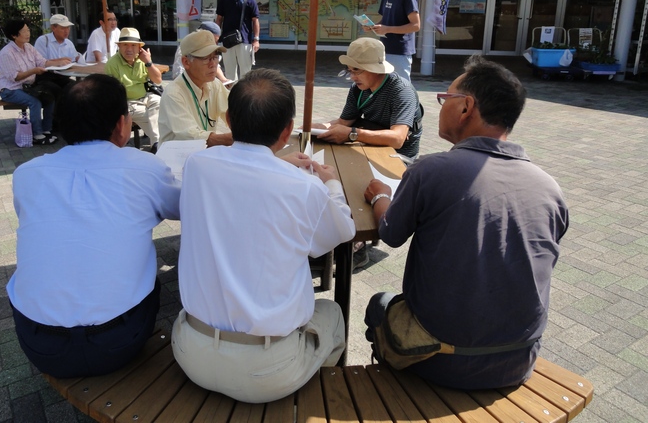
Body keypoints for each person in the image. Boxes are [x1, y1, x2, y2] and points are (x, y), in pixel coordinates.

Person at [363, 55, 569, 390]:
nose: (441, 105)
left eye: (445, 97)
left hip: (442, 359)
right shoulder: (550, 188)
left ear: (465, 107)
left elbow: (390, 233)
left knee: (379, 304)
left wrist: (379, 197)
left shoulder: (432, 170)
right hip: (519, 361)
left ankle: (393, 391)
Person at [171, 68, 356, 403]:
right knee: (331, 314)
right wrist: (331, 183)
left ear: (229, 119)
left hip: (190, 350)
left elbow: (243, 172)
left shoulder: (197, 165)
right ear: (288, 130)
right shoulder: (305, 188)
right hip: (268, 370)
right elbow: (343, 230)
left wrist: (278, 163)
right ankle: (313, 399)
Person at [6, 74, 180, 378]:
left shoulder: (27, 174)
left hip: (39, 344)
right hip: (119, 340)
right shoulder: (144, 167)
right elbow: (180, 208)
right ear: (122, 125)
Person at [319, 37, 422, 160]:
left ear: (376, 70)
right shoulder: (358, 89)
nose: (352, 77)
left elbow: (397, 139)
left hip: (399, 156)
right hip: (370, 146)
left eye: (357, 70)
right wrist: (314, 128)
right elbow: (343, 122)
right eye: (349, 70)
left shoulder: (402, 91)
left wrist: (352, 134)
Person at [0, 18, 70, 145]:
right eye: (24, 31)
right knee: (35, 102)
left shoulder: (29, 47)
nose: (28, 33)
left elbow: (42, 62)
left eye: (28, 30)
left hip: (27, 87)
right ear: (14, 35)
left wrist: (58, 62)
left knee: (50, 98)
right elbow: (15, 77)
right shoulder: (7, 53)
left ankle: (47, 130)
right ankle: (37, 134)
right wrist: (34, 71)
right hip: (11, 89)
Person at [158, 29, 231, 147]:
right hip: (177, 155)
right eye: (206, 58)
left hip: (204, 153)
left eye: (215, 57)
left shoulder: (215, 84)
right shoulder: (173, 93)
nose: (213, 64)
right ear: (186, 62)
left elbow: (234, 112)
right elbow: (192, 137)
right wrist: (234, 138)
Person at [104, 27, 162, 148]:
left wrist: (148, 62)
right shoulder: (112, 64)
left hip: (146, 97)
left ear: (139, 48)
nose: (129, 49)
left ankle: (158, 143)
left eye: (133, 45)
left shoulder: (142, 59)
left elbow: (158, 80)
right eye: (125, 45)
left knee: (161, 103)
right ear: (119, 46)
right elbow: (112, 93)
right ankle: (158, 143)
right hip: (127, 102)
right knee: (154, 117)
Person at [367, 0, 420, 82]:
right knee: (384, 88)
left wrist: (387, 29)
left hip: (400, 52)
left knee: (400, 88)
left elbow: (416, 25)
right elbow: (386, 20)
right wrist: (373, 26)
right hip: (384, 49)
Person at [216, 0, 260, 80]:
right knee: (229, 72)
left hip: (244, 40)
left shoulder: (250, 0)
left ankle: (244, 91)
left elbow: (255, 20)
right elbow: (219, 19)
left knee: (246, 73)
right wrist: (215, 36)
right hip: (227, 40)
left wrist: (256, 39)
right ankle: (232, 91)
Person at [34, 14, 84, 88]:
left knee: (78, 88)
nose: (66, 31)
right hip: (46, 77)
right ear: (53, 28)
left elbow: (73, 61)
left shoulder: (69, 43)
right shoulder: (43, 41)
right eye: (63, 28)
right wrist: (58, 62)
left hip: (64, 77)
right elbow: (39, 63)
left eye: (68, 28)